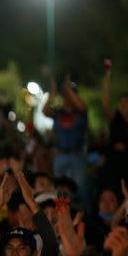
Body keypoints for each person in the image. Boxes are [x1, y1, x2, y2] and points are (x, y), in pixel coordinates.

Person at [43, 76, 89, 207]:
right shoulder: (58, 112)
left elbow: (82, 106)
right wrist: (52, 92)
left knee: (79, 189)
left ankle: (80, 216)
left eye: (70, 93)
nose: (67, 97)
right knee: (58, 188)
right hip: (61, 155)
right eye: (65, 94)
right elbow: (45, 111)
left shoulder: (81, 112)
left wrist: (68, 88)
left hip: (77, 155)